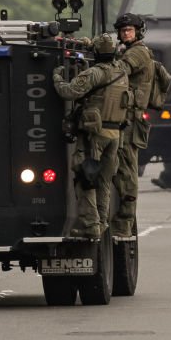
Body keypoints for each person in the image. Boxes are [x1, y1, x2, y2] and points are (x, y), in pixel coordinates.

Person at [52, 33, 131, 239]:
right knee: (104, 181)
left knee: (86, 178)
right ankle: (102, 222)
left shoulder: (95, 73)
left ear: (96, 53)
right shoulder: (122, 71)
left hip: (94, 136)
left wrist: (57, 77)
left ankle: (90, 224)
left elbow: (69, 92)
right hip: (115, 135)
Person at [111, 13, 155, 237]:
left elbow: (119, 70)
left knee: (127, 171)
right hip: (122, 118)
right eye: (122, 30)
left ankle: (124, 225)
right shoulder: (127, 51)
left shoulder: (138, 52)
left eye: (129, 30)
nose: (126, 33)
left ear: (138, 32)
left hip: (130, 120)